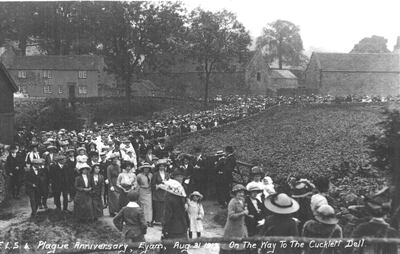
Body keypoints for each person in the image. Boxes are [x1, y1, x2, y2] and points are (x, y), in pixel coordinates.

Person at [160, 179, 188, 254]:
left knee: (170, 249)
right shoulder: (181, 199)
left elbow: (167, 216)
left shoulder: (169, 199)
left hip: (172, 229)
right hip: (182, 227)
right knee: (181, 248)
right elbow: (185, 215)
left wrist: (165, 229)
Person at [220, 184, 248, 254]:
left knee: (240, 248)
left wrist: (246, 212)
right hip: (232, 228)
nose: (241, 194)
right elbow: (231, 216)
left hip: (240, 228)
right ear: (235, 193)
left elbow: (244, 210)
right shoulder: (232, 202)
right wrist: (243, 213)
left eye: (242, 192)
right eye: (239, 192)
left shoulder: (243, 200)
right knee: (229, 248)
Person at [151, 159, 170, 225]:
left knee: (163, 206)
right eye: (160, 166)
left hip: (165, 192)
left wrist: (166, 184)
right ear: (158, 167)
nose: (162, 167)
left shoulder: (167, 174)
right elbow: (152, 184)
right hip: (157, 192)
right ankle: (156, 220)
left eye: (163, 166)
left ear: (165, 167)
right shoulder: (155, 174)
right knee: (157, 206)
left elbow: (169, 183)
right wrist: (158, 186)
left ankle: (162, 220)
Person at [137, 162, 153, 227]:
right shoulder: (139, 176)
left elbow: (152, 183)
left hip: (149, 191)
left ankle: (149, 220)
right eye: (145, 168)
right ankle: (143, 221)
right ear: (142, 169)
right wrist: (137, 192)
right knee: (143, 206)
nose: (146, 170)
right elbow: (137, 184)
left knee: (149, 206)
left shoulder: (151, 175)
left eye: (147, 168)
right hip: (142, 190)